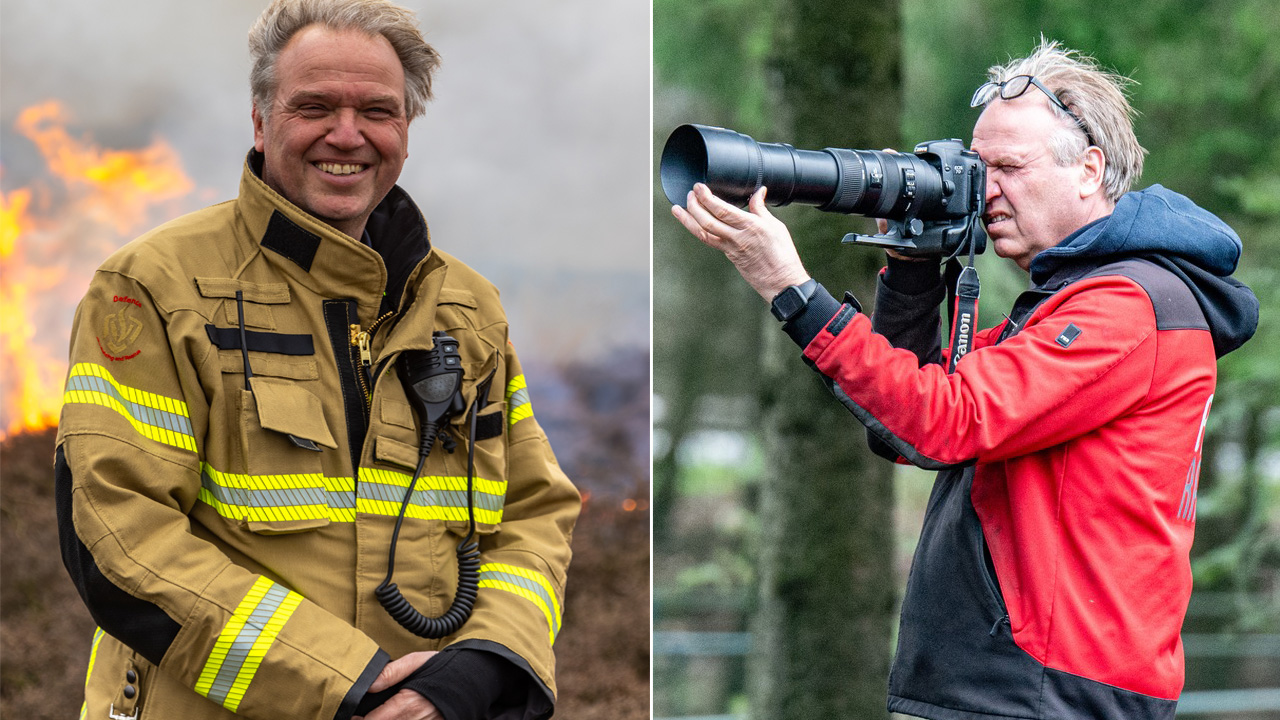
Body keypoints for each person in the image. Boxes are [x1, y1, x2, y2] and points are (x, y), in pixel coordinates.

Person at [672, 40, 1258, 720]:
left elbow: (948, 419)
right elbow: (903, 429)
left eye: (1009, 167)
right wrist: (912, 269)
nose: (987, 191)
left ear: (1089, 170)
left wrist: (792, 289)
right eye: (980, 169)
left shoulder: (1129, 306)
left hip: (1048, 692)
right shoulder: (1070, 300)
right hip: (1013, 685)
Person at [55, 1, 579, 719]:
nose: (347, 134)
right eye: (315, 107)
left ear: (406, 127)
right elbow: (117, 535)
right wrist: (351, 686)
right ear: (260, 120)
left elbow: (535, 511)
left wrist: (481, 669)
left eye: (377, 111)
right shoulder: (154, 288)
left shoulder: (469, 310)